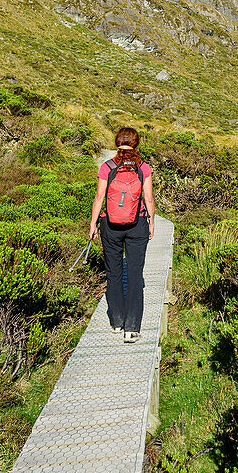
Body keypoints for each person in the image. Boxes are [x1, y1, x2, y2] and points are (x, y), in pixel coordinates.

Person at [89, 127, 155, 343]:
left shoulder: (107, 167)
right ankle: (131, 328)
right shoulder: (142, 168)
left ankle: (116, 321)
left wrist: (93, 224)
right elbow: (149, 199)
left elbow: (99, 197)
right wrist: (151, 221)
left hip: (110, 225)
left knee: (114, 272)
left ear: (117, 143)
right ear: (136, 144)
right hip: (137, 226)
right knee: (135, 276)